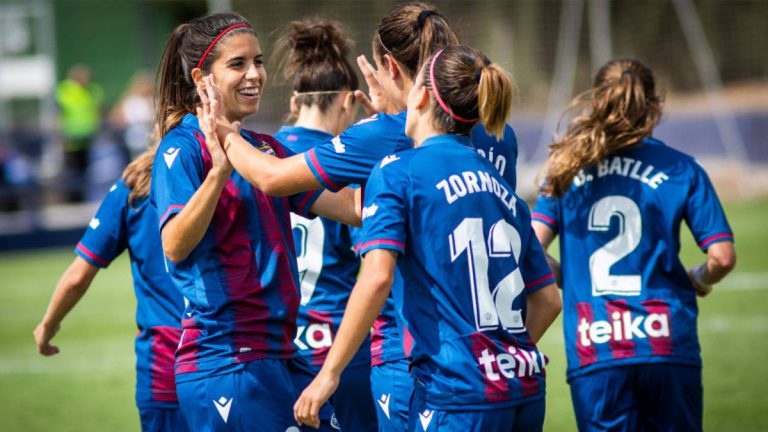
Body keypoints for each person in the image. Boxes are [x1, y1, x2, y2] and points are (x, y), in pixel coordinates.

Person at [209, 4, 518, 429]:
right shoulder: (500, 131)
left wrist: (223, 129)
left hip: (413, 357)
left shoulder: (384, 139)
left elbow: (273, 177)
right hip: (500, 361)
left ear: (389, 66)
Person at [293, 45, 562, 432]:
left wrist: (328, 374)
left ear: (418, 96)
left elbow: (377, 277)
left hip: (457, 395)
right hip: (523, 388)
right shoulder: (501, 186)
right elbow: (548, 299)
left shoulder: (398, 171)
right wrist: (501, 360)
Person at [150, 12, 358, 431]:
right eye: (238, 64)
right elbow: (174, 244)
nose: (255, 74)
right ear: (201, 78)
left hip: (282, 354)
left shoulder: (266, 150)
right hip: (226, 362)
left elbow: (353, 208)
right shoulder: (181, 148)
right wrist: (218, 173)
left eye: (258, 61)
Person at [530, 58, 736, 431]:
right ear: (654, 106)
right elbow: (721, 256)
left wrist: (571, 277)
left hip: (597, 348)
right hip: (667, 342)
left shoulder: (564, 167)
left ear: (596, 103)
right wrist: (699, 278)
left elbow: (529, 250)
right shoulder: (681, 168)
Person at [33, 147, 189, 432]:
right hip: (228, 353)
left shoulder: (135, 186)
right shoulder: (227, 173)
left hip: (166, 360)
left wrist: (48, 324)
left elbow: (77, 277)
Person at [272, 18, 378, 432]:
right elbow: (375, 262)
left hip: (279, 349)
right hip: (339, 350)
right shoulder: (348, 166)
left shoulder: (264, 157)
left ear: (295, 102)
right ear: (348, 102)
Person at [56, 64, 103, 202]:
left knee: (85, 169)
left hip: (87, 137)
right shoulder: (64, 90)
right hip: (70, 138)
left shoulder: (92, 90)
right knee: (71, 170)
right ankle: (71, 199)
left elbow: (96, 110)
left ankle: (82, 197)